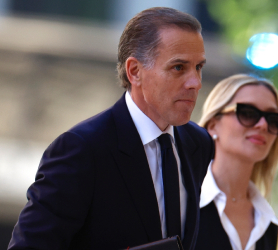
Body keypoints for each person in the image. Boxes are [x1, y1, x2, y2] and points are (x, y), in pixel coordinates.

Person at [8, 7, 214, 250]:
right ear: (135, 71)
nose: (195, 83)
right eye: (178, 67)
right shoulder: (81, 149)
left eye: (199, 67)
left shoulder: (198, 143)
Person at [194, 74, 278, 250]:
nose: (262, 125)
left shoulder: (268, 223)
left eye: (273, 119)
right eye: (247, 113)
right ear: (213, 125)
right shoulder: (181, 204)